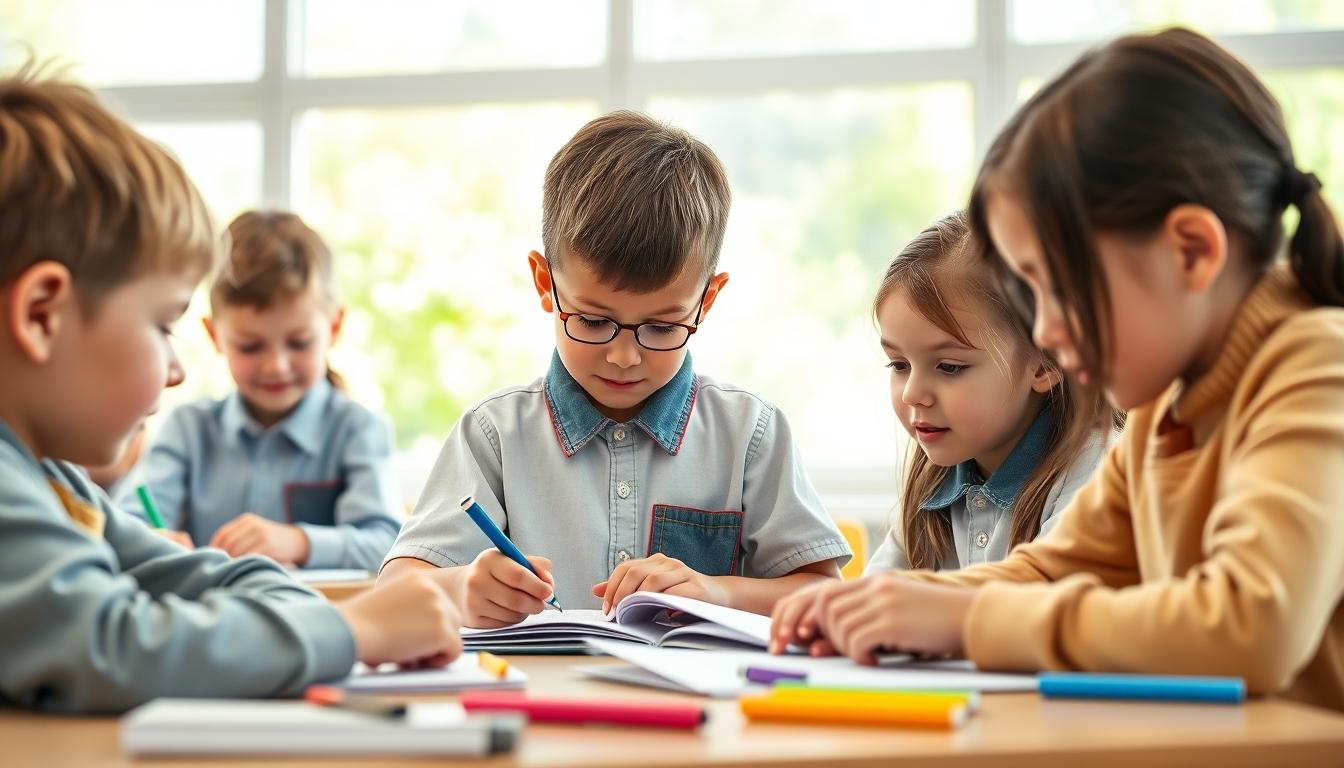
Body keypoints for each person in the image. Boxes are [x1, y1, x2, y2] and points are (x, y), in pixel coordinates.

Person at [770, 28, 1344, 712]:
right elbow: (1051, 570)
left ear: (1191, 251)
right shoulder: (1166, 412)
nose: (1043, 329)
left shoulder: (1315, 367)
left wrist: (962, 621)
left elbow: (1254, 626)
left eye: (1056, 287)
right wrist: (888, 602)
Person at [0, 66, 461, 713]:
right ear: (43, 315)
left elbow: (195, 575)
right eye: (163, 324)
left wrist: (316, 614)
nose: (177, 370)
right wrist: (354, 629)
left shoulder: (50, 479)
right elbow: (110, 644)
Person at [381, 110, 850, 626]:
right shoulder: (494, 435)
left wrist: (714, 592)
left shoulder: (750, 435)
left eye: (663, 327)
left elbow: (823, 595)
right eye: (593, 319)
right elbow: (398, 588)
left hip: (700, 702)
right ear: (545, 283)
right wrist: (458, 588)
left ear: (706, 301)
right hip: (539, 701)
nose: (624, 357)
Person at [118, 211, 402, 571]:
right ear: (214, 335)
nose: (276, 366)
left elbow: (388, 546)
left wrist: (299, 541)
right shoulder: (188, 429)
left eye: (299, 343)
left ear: (333, 327)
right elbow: (127, 526)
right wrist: (148, 539)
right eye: (250, 346)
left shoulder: (358, 430)